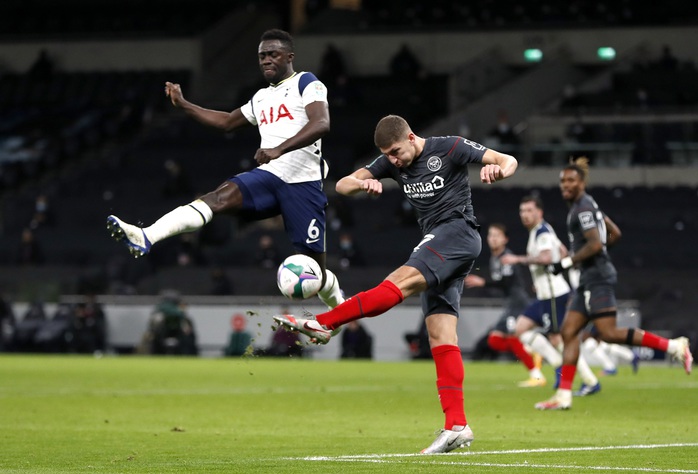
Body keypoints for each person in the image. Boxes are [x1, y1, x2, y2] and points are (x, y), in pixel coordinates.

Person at [274, 114, 518, 453]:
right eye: (386, 155)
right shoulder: (390, 163)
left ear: (411, 138)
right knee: (441, 336)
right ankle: (457, 425)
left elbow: (508, 159)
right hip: (443, 245)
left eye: (395, 152)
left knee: (397, 282)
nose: (392, 160)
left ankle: (325, 322)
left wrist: (499, 170)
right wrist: (363, 182)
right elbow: (342, 184)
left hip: (457, 233)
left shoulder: (449, 148)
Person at [106, 29, 344, 310]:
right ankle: (146, 236)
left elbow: (321, 123)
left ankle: (339, 311)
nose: (266, 60)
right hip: (270, 176)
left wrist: (279, 149)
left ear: (289, 56)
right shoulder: (261, 97)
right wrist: (184, 104)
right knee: (216, 198)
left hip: (303, 184)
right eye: (262, 56)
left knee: (316, 273)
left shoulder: (307, 81)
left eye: (272, 54)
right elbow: (227, 122)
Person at [535, 157, 693, 410]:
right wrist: (596, 253)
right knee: (569, 332)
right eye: (563, 180)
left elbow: (596, 243)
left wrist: (566, 263)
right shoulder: (588, 205)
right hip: (589, 277)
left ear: (582, 182)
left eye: (571, 180)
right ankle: (563, 396)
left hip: (597, 278)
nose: (565, 184)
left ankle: (674, 346)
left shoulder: (583, 208)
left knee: (608, 333)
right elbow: (614, 234)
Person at [500, 195, 601, 395]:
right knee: (521, 328)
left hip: (555, 295)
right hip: (546, 293)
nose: (525, 215)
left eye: (529, 210)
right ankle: (558, 364)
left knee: (559, 339)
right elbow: (562, 251)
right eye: (522, 211)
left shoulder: (542, 233)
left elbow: (546, 257)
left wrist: (517, 259)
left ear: (539, 212)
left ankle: (590, 381)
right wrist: (542, 279)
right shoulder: (541, 231)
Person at [464, 223, 539, 384]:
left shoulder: (507, 257)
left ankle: (536, 375)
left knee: (512, 337)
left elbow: (506, 282)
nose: (493, 239)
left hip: (517, 303)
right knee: (495, 340)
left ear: (505, 239)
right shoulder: (495, 258)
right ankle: (529, 351)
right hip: (510, 303)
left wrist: (482, 282)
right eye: (491, 235)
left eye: (497, 235)